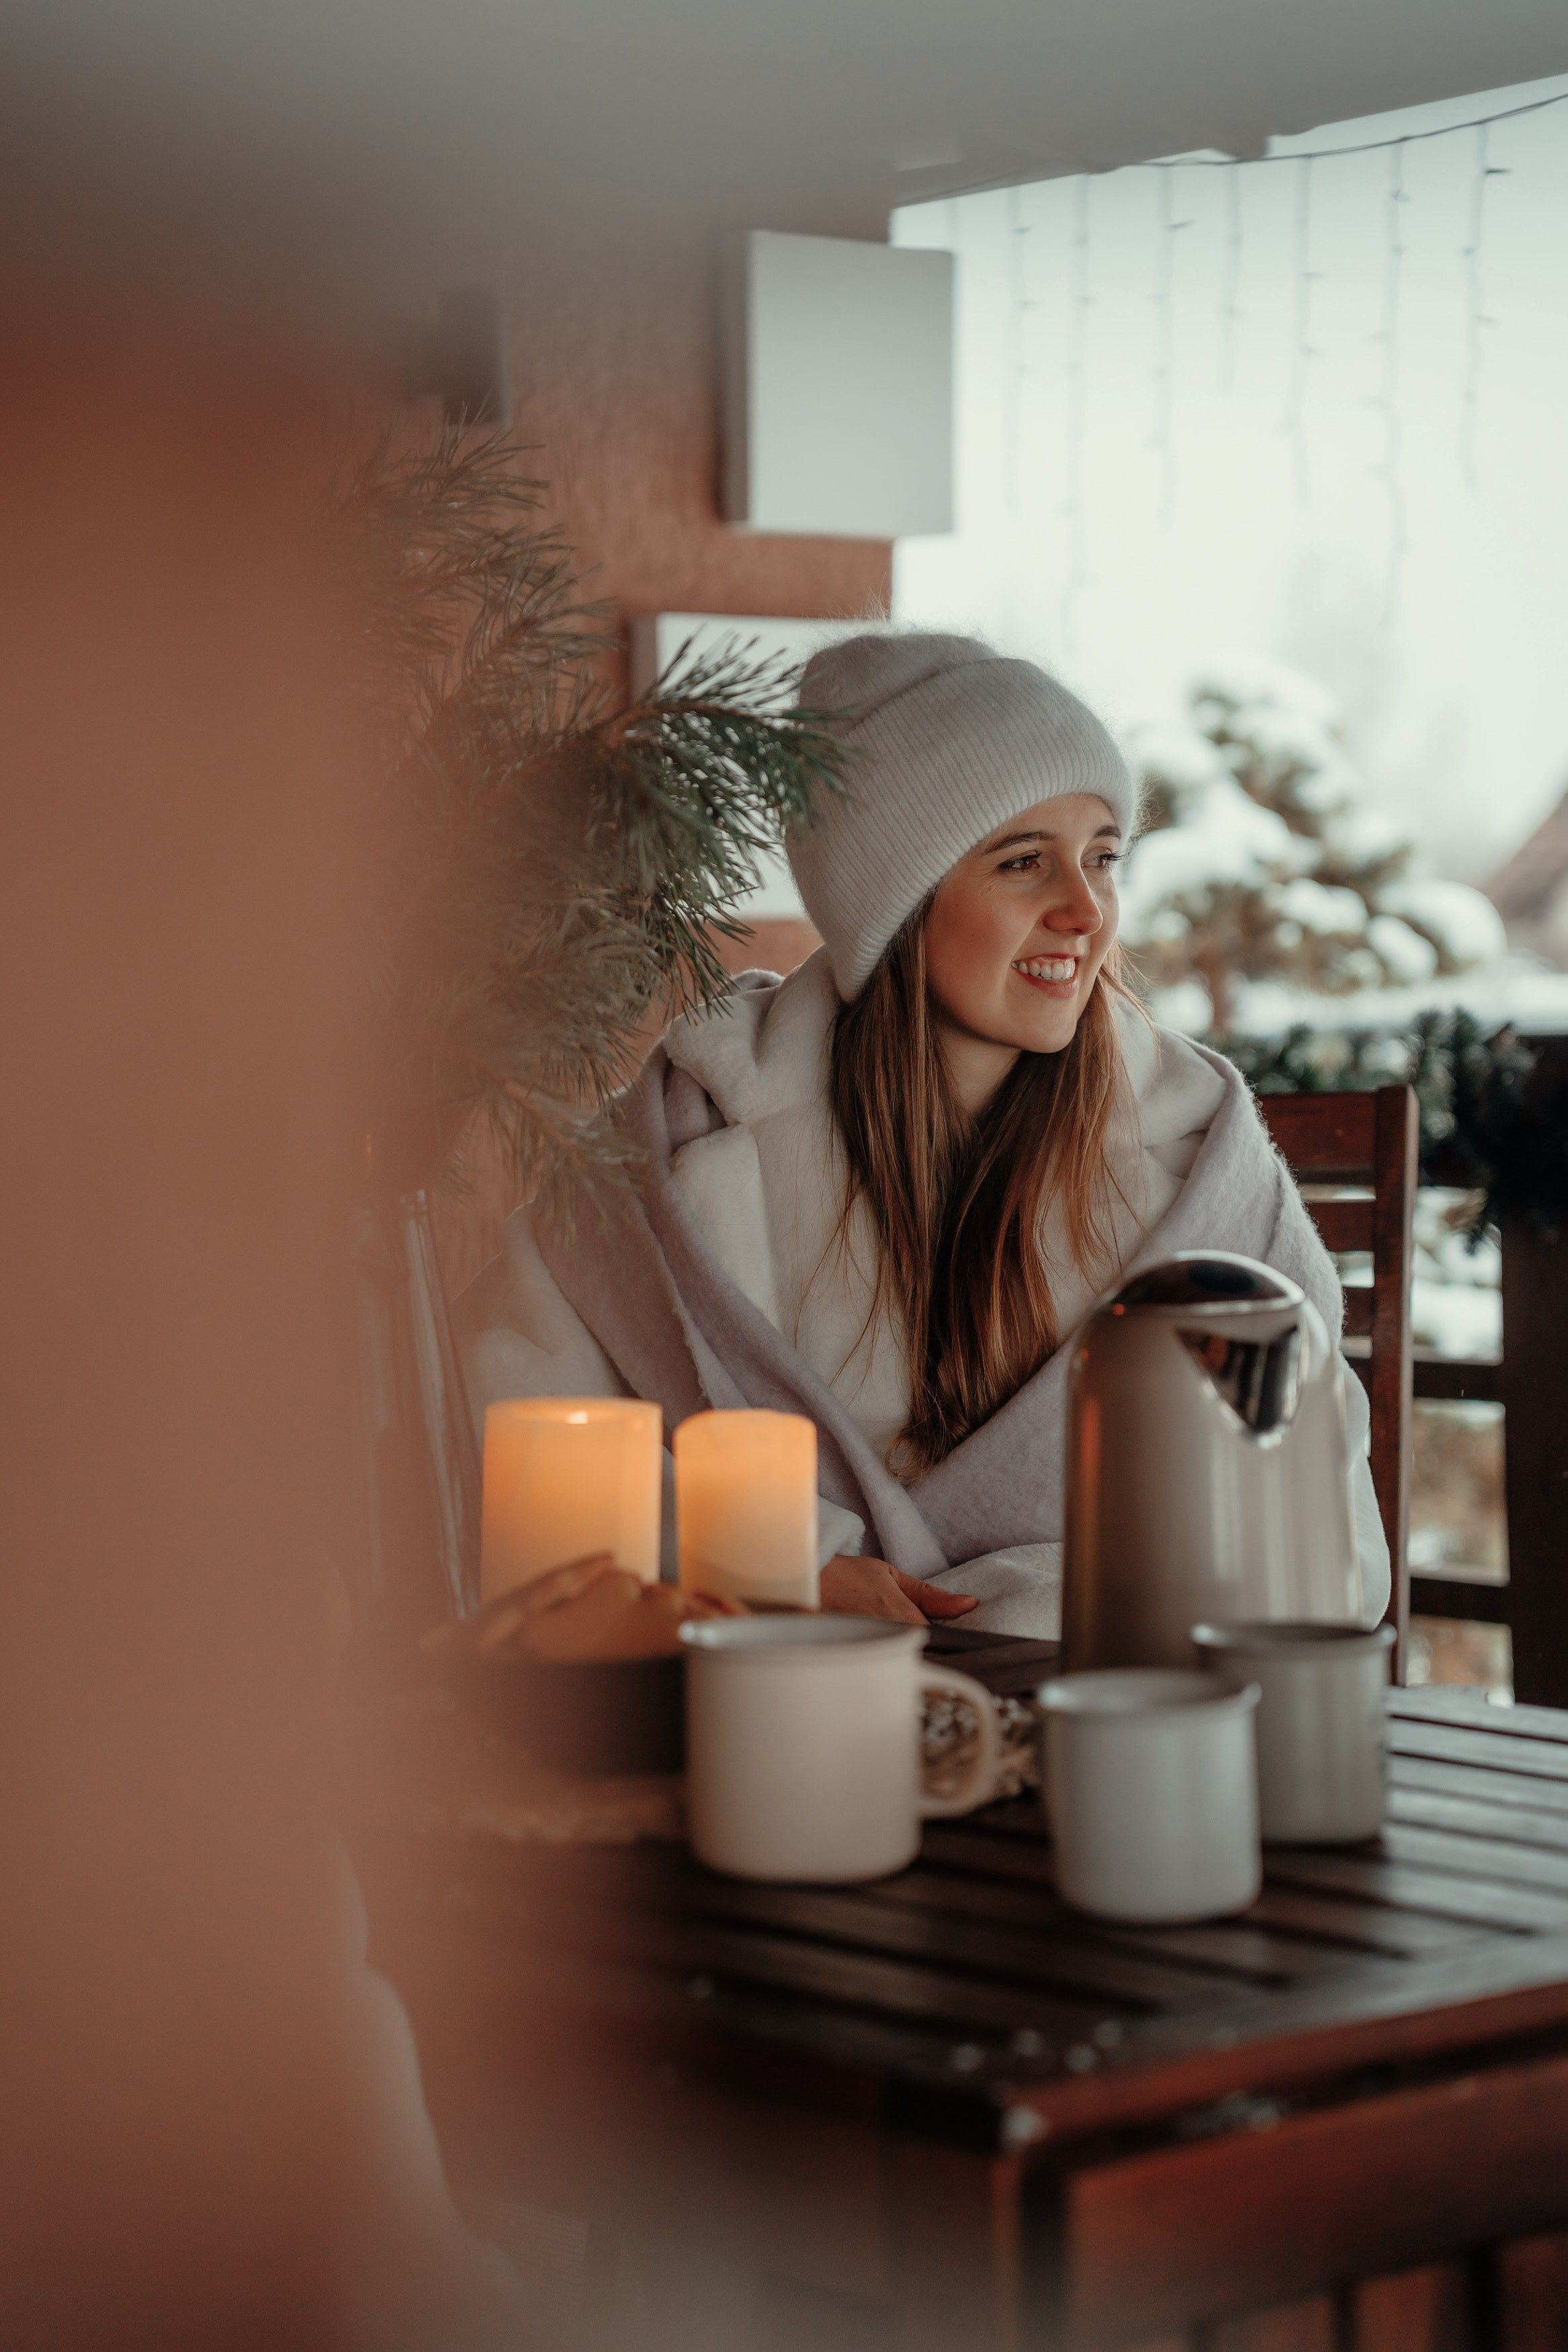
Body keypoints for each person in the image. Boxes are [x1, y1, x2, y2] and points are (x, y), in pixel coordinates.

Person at [458, 632, 1389, 1636]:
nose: (1085, 911)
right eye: (1023, 862)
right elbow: (515, 1442)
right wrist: (778, 1571)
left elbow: (1322, 1552)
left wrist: (1021, 1612)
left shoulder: (1200, 1172)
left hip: (1114, 1707)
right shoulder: (689, 1141)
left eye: (1102, 858)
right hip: (769, 1692)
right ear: (894, 903)